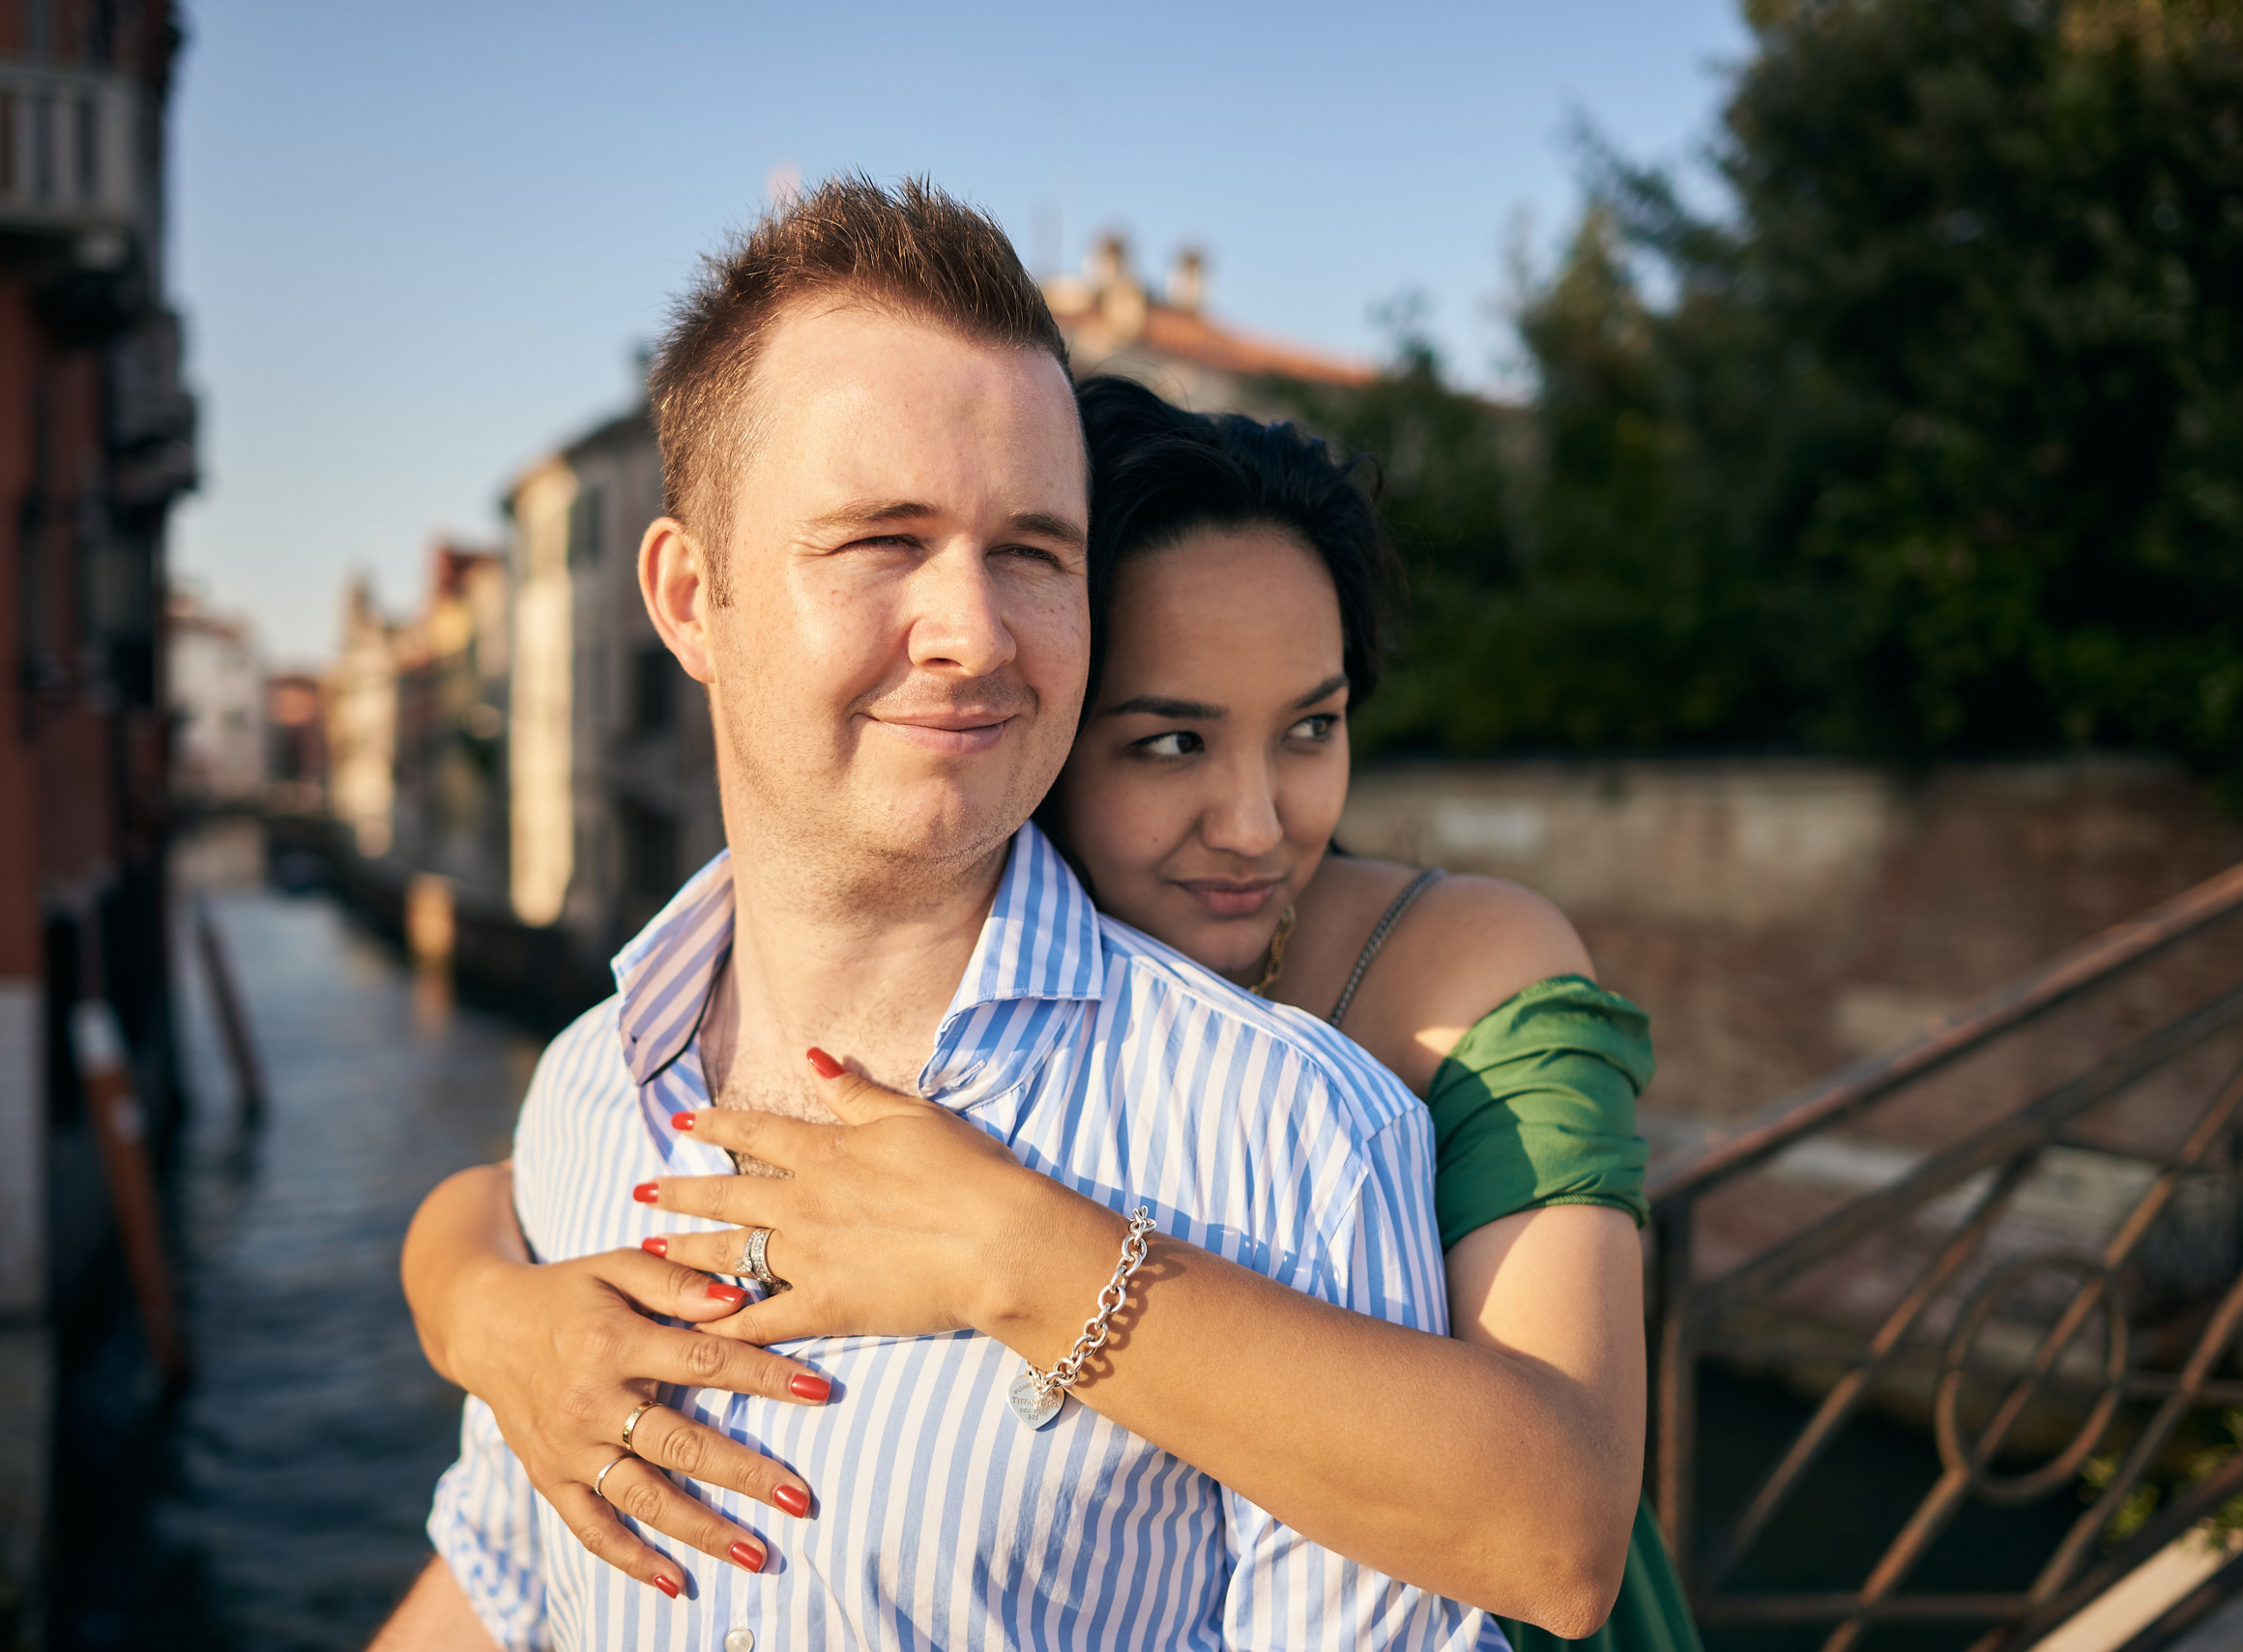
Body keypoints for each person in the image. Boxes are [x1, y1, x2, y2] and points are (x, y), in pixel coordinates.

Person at [393, 361, 1703, 1647]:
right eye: (1171, 741)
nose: (1257, 826)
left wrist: (1011, 1252)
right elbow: (524, 1183)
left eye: (1312, 727)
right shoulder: (920, 993)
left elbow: (1562, 1533)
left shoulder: (1453, 971)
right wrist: (489, 1321)